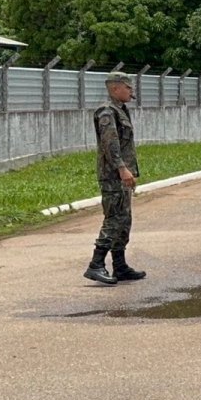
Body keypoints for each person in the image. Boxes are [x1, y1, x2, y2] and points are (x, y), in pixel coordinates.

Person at [83, 71, 147, 284]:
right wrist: (121, 168)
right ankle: (96, 264)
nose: (131, 91)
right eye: (128, 88)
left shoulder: (121, 110)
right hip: (113, 175)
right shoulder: (107, 112)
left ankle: (119, 266)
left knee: (124, 220)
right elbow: (110, 143)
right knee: (115, 218)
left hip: (122, 175)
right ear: (115, 88)